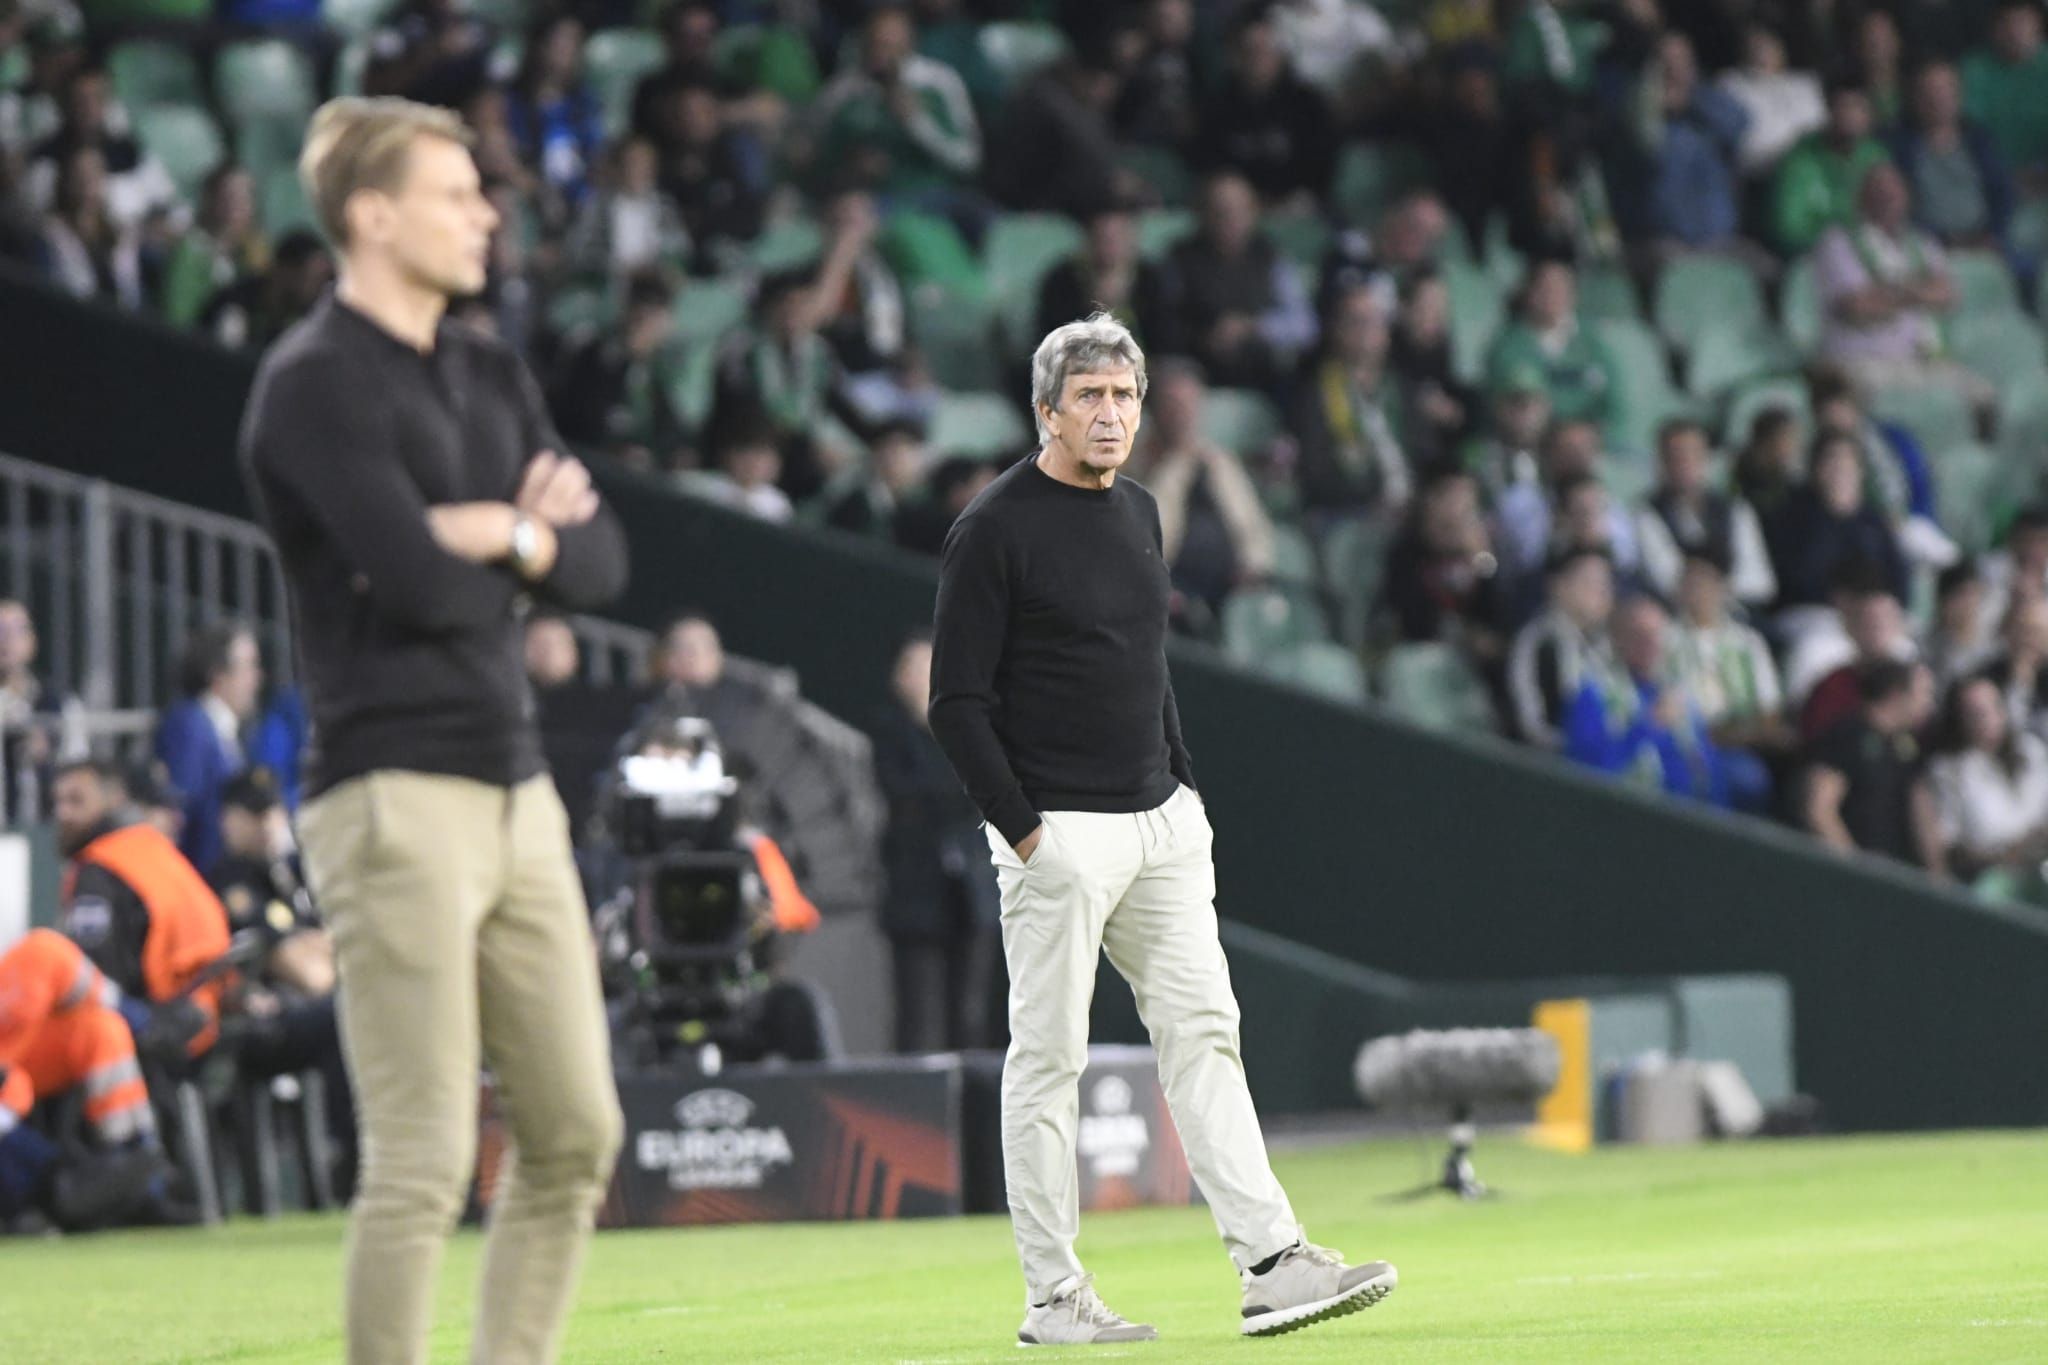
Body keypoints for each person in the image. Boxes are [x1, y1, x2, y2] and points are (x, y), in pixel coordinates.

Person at [240, 97, 628, 1365]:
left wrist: (499, 535)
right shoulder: (307, 387)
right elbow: (414, 583)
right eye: (458, 193)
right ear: (371, 214)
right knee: (423, 1157)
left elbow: (602, 559)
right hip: (390, 791)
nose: (485, 214)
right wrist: (517, 544)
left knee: (576, 1133)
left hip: (519, 794)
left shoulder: (488, 367)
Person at [929, 314, 1395, 1346]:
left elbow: (1145, 665)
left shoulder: (1140, 510)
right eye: (1089, 395)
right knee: (1046, 1065)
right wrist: (1025, 835)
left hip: (1160, 827)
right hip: (1057, 837)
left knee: (1205, 1041)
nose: (1110, 413)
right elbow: (954, 703)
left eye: (1124, 396)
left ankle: (1271, 1264)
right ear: (1044, 410)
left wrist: (1180, 789)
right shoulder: (994, 527)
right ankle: (1053, 1299)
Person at [871, 630, 1000, 1053]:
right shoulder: (887, 733)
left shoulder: (978, 728)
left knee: (970, 1014)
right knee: (918, 1016)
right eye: (916, 668)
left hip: (973, 897)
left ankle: (974, 1113)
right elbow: (909, 795)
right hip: (915, 896)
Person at [52, 760, 230, 1060]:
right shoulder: (154, 849)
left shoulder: (100, 869)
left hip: (160, 1033)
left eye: (76, 800)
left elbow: (97, 977)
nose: (62, 813)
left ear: (113, 799)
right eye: (57, 802)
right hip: (208, 1013)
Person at [1803, 659, 1945, 875]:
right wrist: (1856, 871)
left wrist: (1938, 874)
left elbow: (1921, 812)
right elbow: (1819, 810)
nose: (1930, 705)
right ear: (1897, 695)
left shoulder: (1907, 748)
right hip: (1847, 877)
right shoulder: (1847, 736)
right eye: (1924, 694)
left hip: (1895, 873)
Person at [154, 622, 262, 877]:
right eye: (249, 666)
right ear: (218, 677)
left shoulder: (220, 727)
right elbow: (183, 809)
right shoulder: (190, 725)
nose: (257, 678)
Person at [1928, 672, 2048, 887]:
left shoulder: (2032, 751)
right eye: (1973, 713)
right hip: (1986, 878)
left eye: (1990, 708)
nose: (1984, 719)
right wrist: (2005, 856)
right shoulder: (1949, 771)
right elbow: (1952, 846)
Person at [0, 597, 85, 827]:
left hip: (46, 829)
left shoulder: (59, 704)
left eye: (15, 630)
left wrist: (48, 755)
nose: (5, 640)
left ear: (32, 641)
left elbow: (79, 768)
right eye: (0, 630)